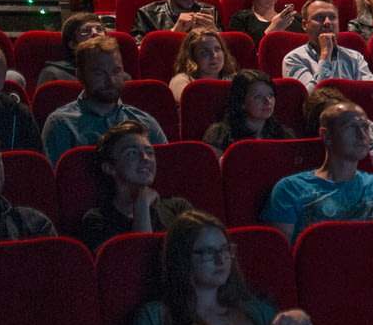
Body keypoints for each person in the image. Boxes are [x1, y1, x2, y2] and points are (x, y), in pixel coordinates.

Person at [119, 210, 311, 325]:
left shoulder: (256, 310)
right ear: (182, 258)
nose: (221, 260)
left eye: (225, 249)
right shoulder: (155, 318)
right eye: (208, 252)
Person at [264, 101, 373, 239]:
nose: (362, 135)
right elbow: (281, 254)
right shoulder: (290, 189)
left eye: (365, 127)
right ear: (326, 135)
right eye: (351, 127)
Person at [41, 37, 166, 164]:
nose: (110, 81)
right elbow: (60, 179)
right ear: (80, 75)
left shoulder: (144, 122)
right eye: (99, 73)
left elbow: (165, 173)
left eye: (116, 71)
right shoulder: (61, 124)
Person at [76, 121, 192, 249]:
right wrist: (141, 203)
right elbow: (138, 260)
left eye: (149, 152)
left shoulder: (177, 208)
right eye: (132, 153)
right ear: (110, 168)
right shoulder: (97, 220)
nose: (145, 158)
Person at [282, 0, 373, 89]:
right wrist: (325, 55)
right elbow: (310, 97)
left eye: (332, 17)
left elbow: (367, 94)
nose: (327, 22)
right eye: (319, 17)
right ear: (305, 25)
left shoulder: (355, 57)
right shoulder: (294, 59)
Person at [202, 70, 291, 153]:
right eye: (258, 97)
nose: (267, 101)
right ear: (241, 102)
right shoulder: (219, 135)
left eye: (270, 95)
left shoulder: (283, 134)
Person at [167, 27, 236, 103]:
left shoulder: (234, 79)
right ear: (192, 57)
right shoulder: (181, 80)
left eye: (217, 49)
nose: (214, 55)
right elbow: (191, 101)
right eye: (204, 52)